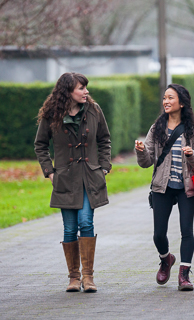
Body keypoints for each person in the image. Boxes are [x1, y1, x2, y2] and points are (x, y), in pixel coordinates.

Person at [34, 72, 112, 293]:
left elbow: (104, 139)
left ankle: (88, 278)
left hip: (90, 178)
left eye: (86, 87)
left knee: (86, 222)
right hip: (65, 179)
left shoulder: (95, 111)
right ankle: (73, 278)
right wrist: (49, 172)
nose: (86, 91)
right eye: (81, 88)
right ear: (67, 91)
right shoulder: (51, 115)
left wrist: (104, 166)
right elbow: (40, 145)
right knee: (69, 229)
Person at [135, 83, 194, 291]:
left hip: (187, 188)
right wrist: (141, 151)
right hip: (162, 187)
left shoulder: (192, 131)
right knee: (158, 234)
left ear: (182, 103)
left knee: (187, 230)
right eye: (165, 98)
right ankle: (166, 259)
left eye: (170, 98)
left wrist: (192, 156)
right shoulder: (156, 129)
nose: (166, 101)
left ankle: (184, 276)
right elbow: (146, 162)